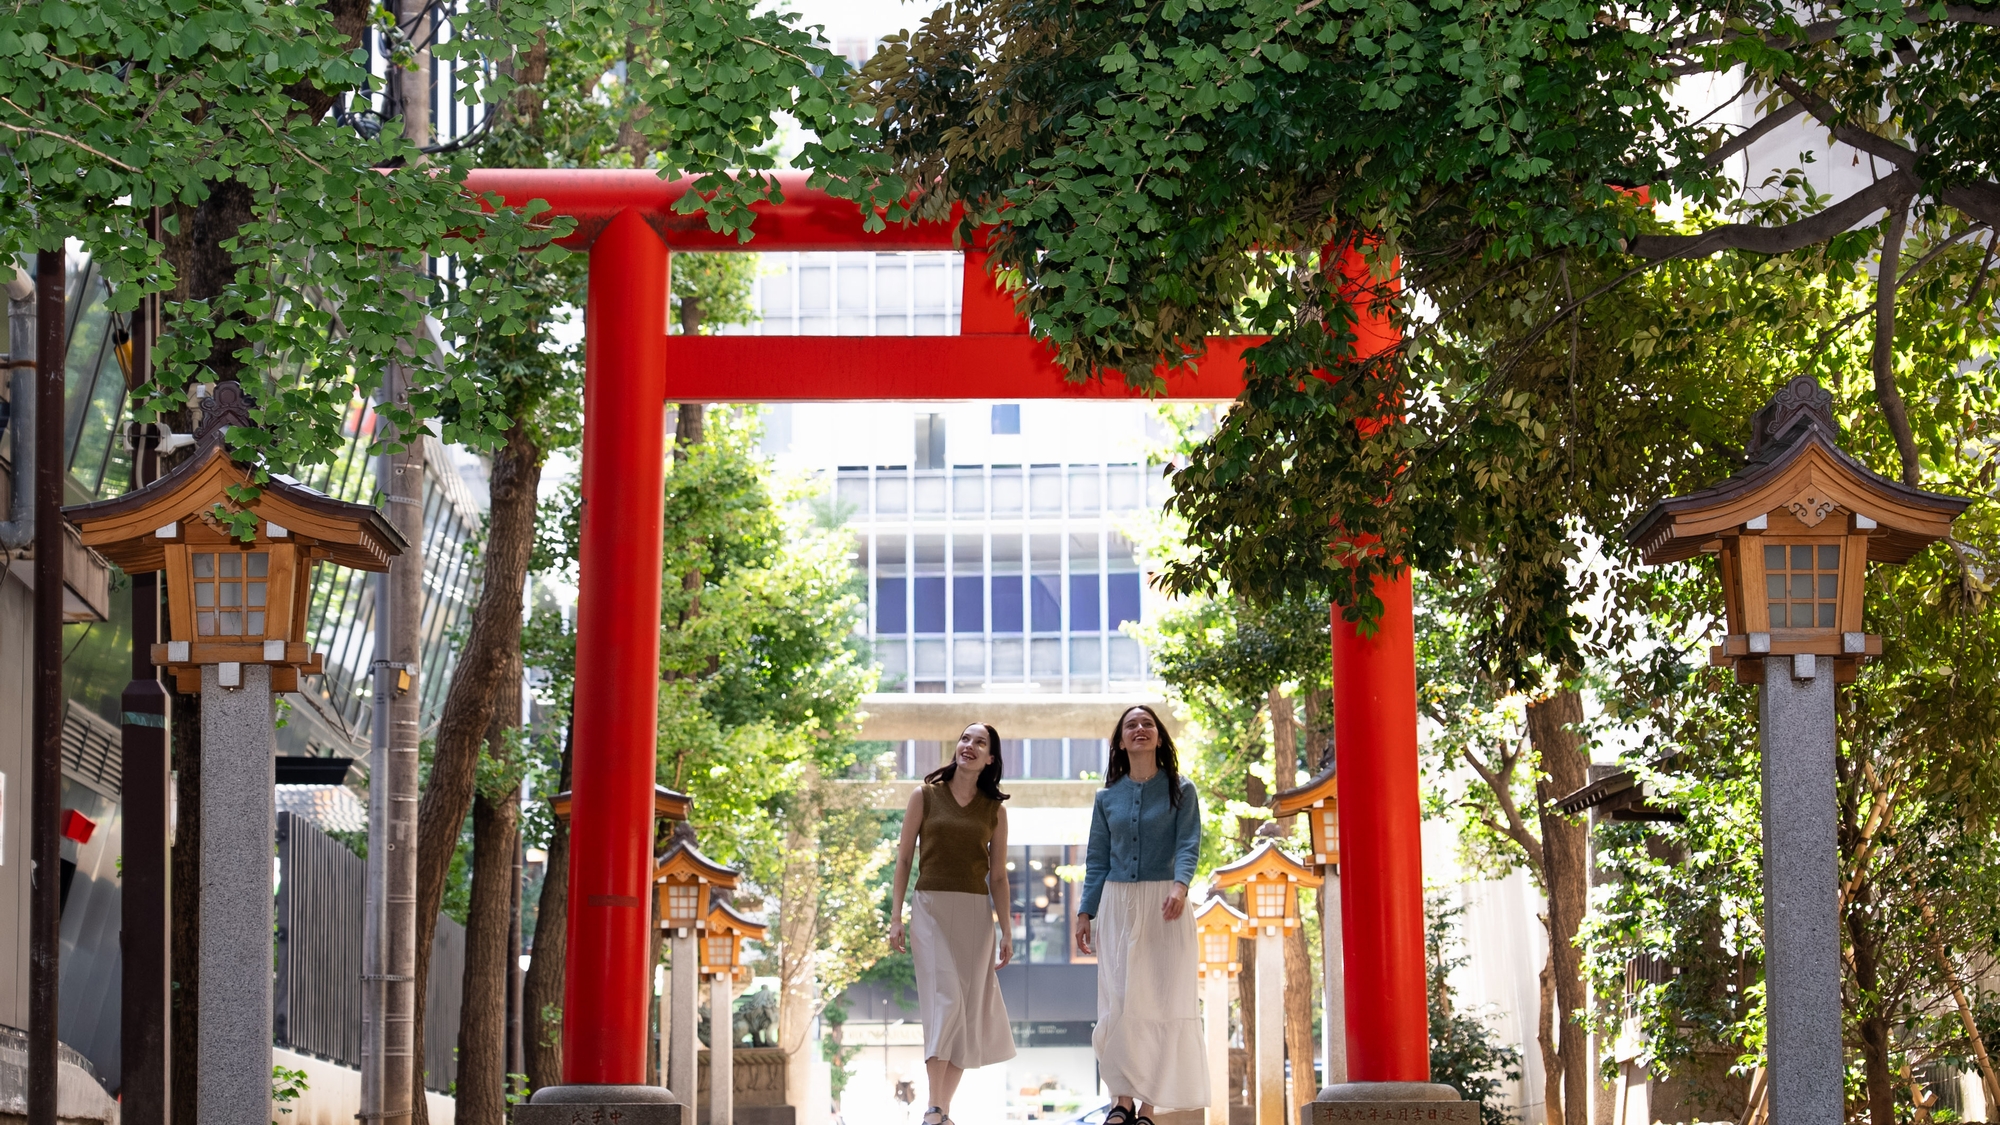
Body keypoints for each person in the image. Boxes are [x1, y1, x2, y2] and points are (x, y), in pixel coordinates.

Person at [1075, 704, 1207, 1124]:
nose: (1139, 729)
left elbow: (1189, 843)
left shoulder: (1181, 790)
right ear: (1120, 740)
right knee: (1118, 1001)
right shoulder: (1105, 797)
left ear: (1159, 737)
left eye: (1147, 723)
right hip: (1116, 905)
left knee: (1160, 1001)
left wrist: (1180, 884)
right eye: (1131, 725)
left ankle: (1148, 1105)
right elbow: (1096, 859)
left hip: (1165, 905)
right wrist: (1085, 912)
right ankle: (1121, 1100)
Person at [888, 723, 1017, 1125]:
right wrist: (896, 916)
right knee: (944, 1003)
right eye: (966, 739)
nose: (970, 746)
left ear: (990, 758)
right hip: (930, 909)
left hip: (977, 916)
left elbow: (998, 876)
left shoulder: (995, 811)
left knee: (966, 1012)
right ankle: (933, 1106)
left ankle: (941, 1111)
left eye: (981, 743)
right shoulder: (924, 796)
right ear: (956, 748)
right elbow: (905, 859)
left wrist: (1006, 930)